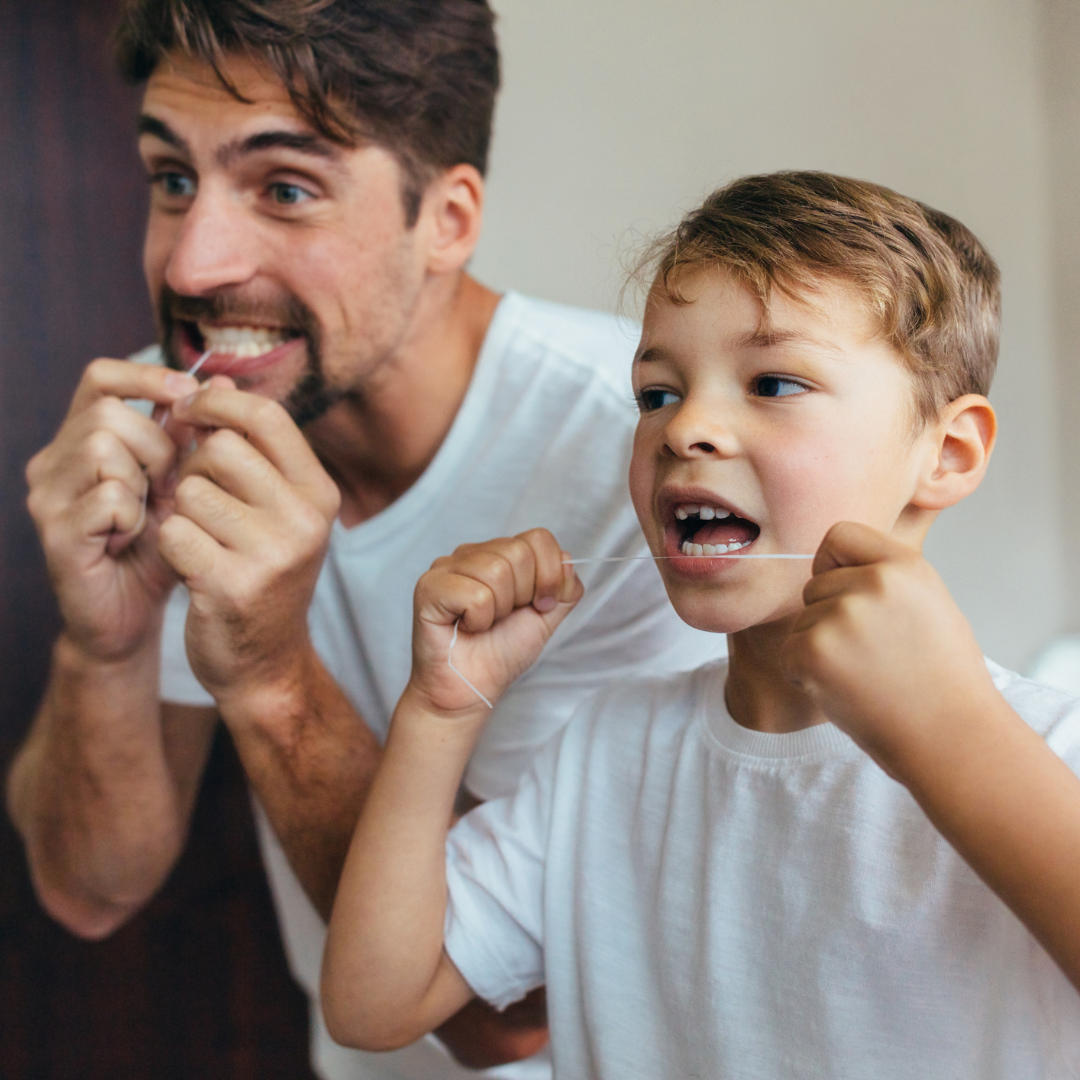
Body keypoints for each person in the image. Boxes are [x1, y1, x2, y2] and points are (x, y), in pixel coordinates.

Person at [5, 2, 722, 1078]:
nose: (194, 267)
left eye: (284, 187)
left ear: (447, 218)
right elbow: (89, 889)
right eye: (171, 179)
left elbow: (507, 1014)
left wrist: (270, 676)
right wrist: (103, 642)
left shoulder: (650, 468)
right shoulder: (175, 436)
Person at [321, 172, 1080, 1078]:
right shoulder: (608, 751)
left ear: (947, 454)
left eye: (773, 382)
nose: (688, 430)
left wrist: (947, 731)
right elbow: (374, 1003)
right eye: (656, 395)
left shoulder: (1049, 747)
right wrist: (441, 713)